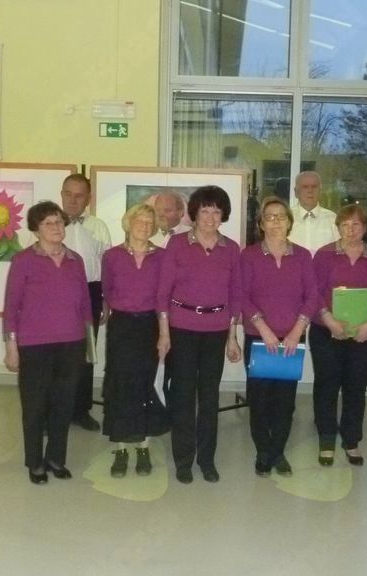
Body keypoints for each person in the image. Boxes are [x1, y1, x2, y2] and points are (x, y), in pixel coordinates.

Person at [157, 185, 243, 484]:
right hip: (181, 328)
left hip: (216, 330)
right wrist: (164, 334)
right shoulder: (177, 244)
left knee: (209, 397)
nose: (210, 217)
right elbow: (163, 292)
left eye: (216, 211)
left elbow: (235, 296)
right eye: (205, 210)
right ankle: (183, 460)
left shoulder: (231, 249)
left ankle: (207, 460)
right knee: (182, 396)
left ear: (223, 215)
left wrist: (232, 337)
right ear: (194, 213)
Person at [3, 201, 91, 485]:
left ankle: (56, 458)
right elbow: (11, 306)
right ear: (36, 229)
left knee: (63, 405)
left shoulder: (76, 260)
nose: (56, 227)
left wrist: (88, 344)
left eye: (59, 222)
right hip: (34, 345)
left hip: (71, 343)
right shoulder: (23, 260)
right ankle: (35, 462)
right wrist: (11, 346)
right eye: (48, 223)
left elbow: (85, 304)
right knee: (34, 406)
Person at [240, 196, 320, 477]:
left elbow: (313, 296)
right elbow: (242, 296)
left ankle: (278, 452)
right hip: (259, 339)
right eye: (269, 217)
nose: (275, 222)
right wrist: (264, 329)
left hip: (292, 339)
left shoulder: (303, 256)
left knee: (285, 402)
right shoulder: (249, 256)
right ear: (261, 224)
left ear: (289, 222)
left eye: (281, 217)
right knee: (259, 400)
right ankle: (263, 452)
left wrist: (297, 331)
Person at [310, 204, 367, 467]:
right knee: (327, 386)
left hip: (363, 334)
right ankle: (326, 439)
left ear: (365, 228)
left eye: (356, 224)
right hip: (326, 331)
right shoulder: (324, 255)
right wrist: (330, 321)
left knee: (356, 387)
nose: (350, 230)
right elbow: (313, 293)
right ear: (338, 228)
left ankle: (352, 439)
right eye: (344, 225)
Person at [100, 204, 169, 477]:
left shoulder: (162, 257)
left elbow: (164, 298)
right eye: (139, 220)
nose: (144, 225)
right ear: (128, 223)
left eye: (150, 221)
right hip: (122, 326)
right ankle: (120, 448)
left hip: (150, 325)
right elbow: (107, 292)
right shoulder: (112, 256)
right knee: (120, 386)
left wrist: (164, 333)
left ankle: (143, 446)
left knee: (146, 385)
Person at [60, 173, 111, 432]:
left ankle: (81, 411)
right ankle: (56, 412)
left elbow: (107, 267)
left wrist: (105, 300)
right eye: (68, 194)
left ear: (88, 199)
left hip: (91, 292)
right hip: (57, 295)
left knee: (86, 354)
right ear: (61, 195)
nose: (72, 200)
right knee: (59, 355)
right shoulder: (49, 224)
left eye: (79, 195)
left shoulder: (98, 227)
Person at [288, 171, 340, 252]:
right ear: (296, 192)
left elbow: (340, 249)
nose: (310, 190)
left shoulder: (333, 218)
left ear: (320, 191)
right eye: (305, 187)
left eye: (314, 186)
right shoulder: (286, 217)